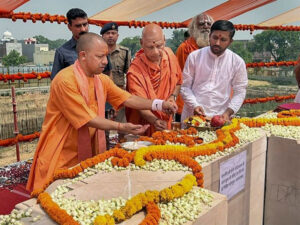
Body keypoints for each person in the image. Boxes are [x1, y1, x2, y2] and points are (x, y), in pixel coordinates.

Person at [27, 33, 177, 191]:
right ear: (83, 55)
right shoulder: (65, 80)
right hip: (60, 153)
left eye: (106, 56)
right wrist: (122, 127)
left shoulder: (101, 80)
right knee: (53, 201)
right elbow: (88, 119)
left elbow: (127, 99)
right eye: (100, 56)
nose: (105, 61)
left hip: (88, 149)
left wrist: (160, 104)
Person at [180, 20, 248, 122]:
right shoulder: (194, 57)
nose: (217, 43)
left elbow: (240, 91)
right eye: (215, 38)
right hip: (192, 117)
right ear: (209, 36)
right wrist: (195, 105)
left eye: (223, 40)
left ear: (230, 41)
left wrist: (228, 112)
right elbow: (185, 87)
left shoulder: (237, 62)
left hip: (220, 118)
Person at [126, 24, 182, 136]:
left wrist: (172, 97)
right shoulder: (135, 70)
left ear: (164, 41)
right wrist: (155, 120)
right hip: (144, 126)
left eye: (159, 46)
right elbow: (139, 104)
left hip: (166, 122)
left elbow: (178, 82)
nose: (156, 52)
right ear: (141, 43)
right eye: (150, 47)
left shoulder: (170, 56)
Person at [50, 8, 112, 80]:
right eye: (78, 26)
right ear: (69, 27)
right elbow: (56, 80)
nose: (83, 29)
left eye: (85, 24)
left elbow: (108, 74)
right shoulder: (62, 52)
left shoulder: (100, 46)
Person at [175, 13, 214, 122]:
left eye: (209, 24)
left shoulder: (216, 49)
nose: (206, 26)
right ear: (194, 28)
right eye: (201, 24)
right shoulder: (184, 48)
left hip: (210, 104)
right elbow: (179, 79)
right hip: (186, 104)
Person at [101, 22, 131, 124]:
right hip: (102, 95)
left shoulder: (125, 52)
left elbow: (129, 75)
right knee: (103, 128)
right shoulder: (98, 53)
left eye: (113, 33)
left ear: (117, 35)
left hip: (119, 94)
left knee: (122, 127)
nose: (110, 36)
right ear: (103, 35)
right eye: (108, 33)